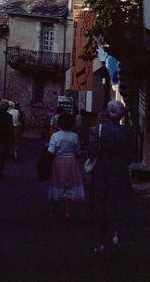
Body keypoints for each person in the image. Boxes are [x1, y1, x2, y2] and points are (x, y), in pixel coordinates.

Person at [88, 100, 134, 254]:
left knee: (100, 204)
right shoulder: (127, 132)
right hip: (120, 172)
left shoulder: (98, 129)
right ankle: (116, 236)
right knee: (118, 204)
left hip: (102, 171)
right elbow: (131, 154)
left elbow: (92, 151)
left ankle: (100, 241)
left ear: (108, 112)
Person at [47, 111, 85, 220]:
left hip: (58, 162)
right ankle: (67, 212)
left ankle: (54, 209)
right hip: (71, 162)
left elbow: (51, 151)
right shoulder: (74, 136)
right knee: (69, 185)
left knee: (57, 183)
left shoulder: (55, 136)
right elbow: (77, 151)